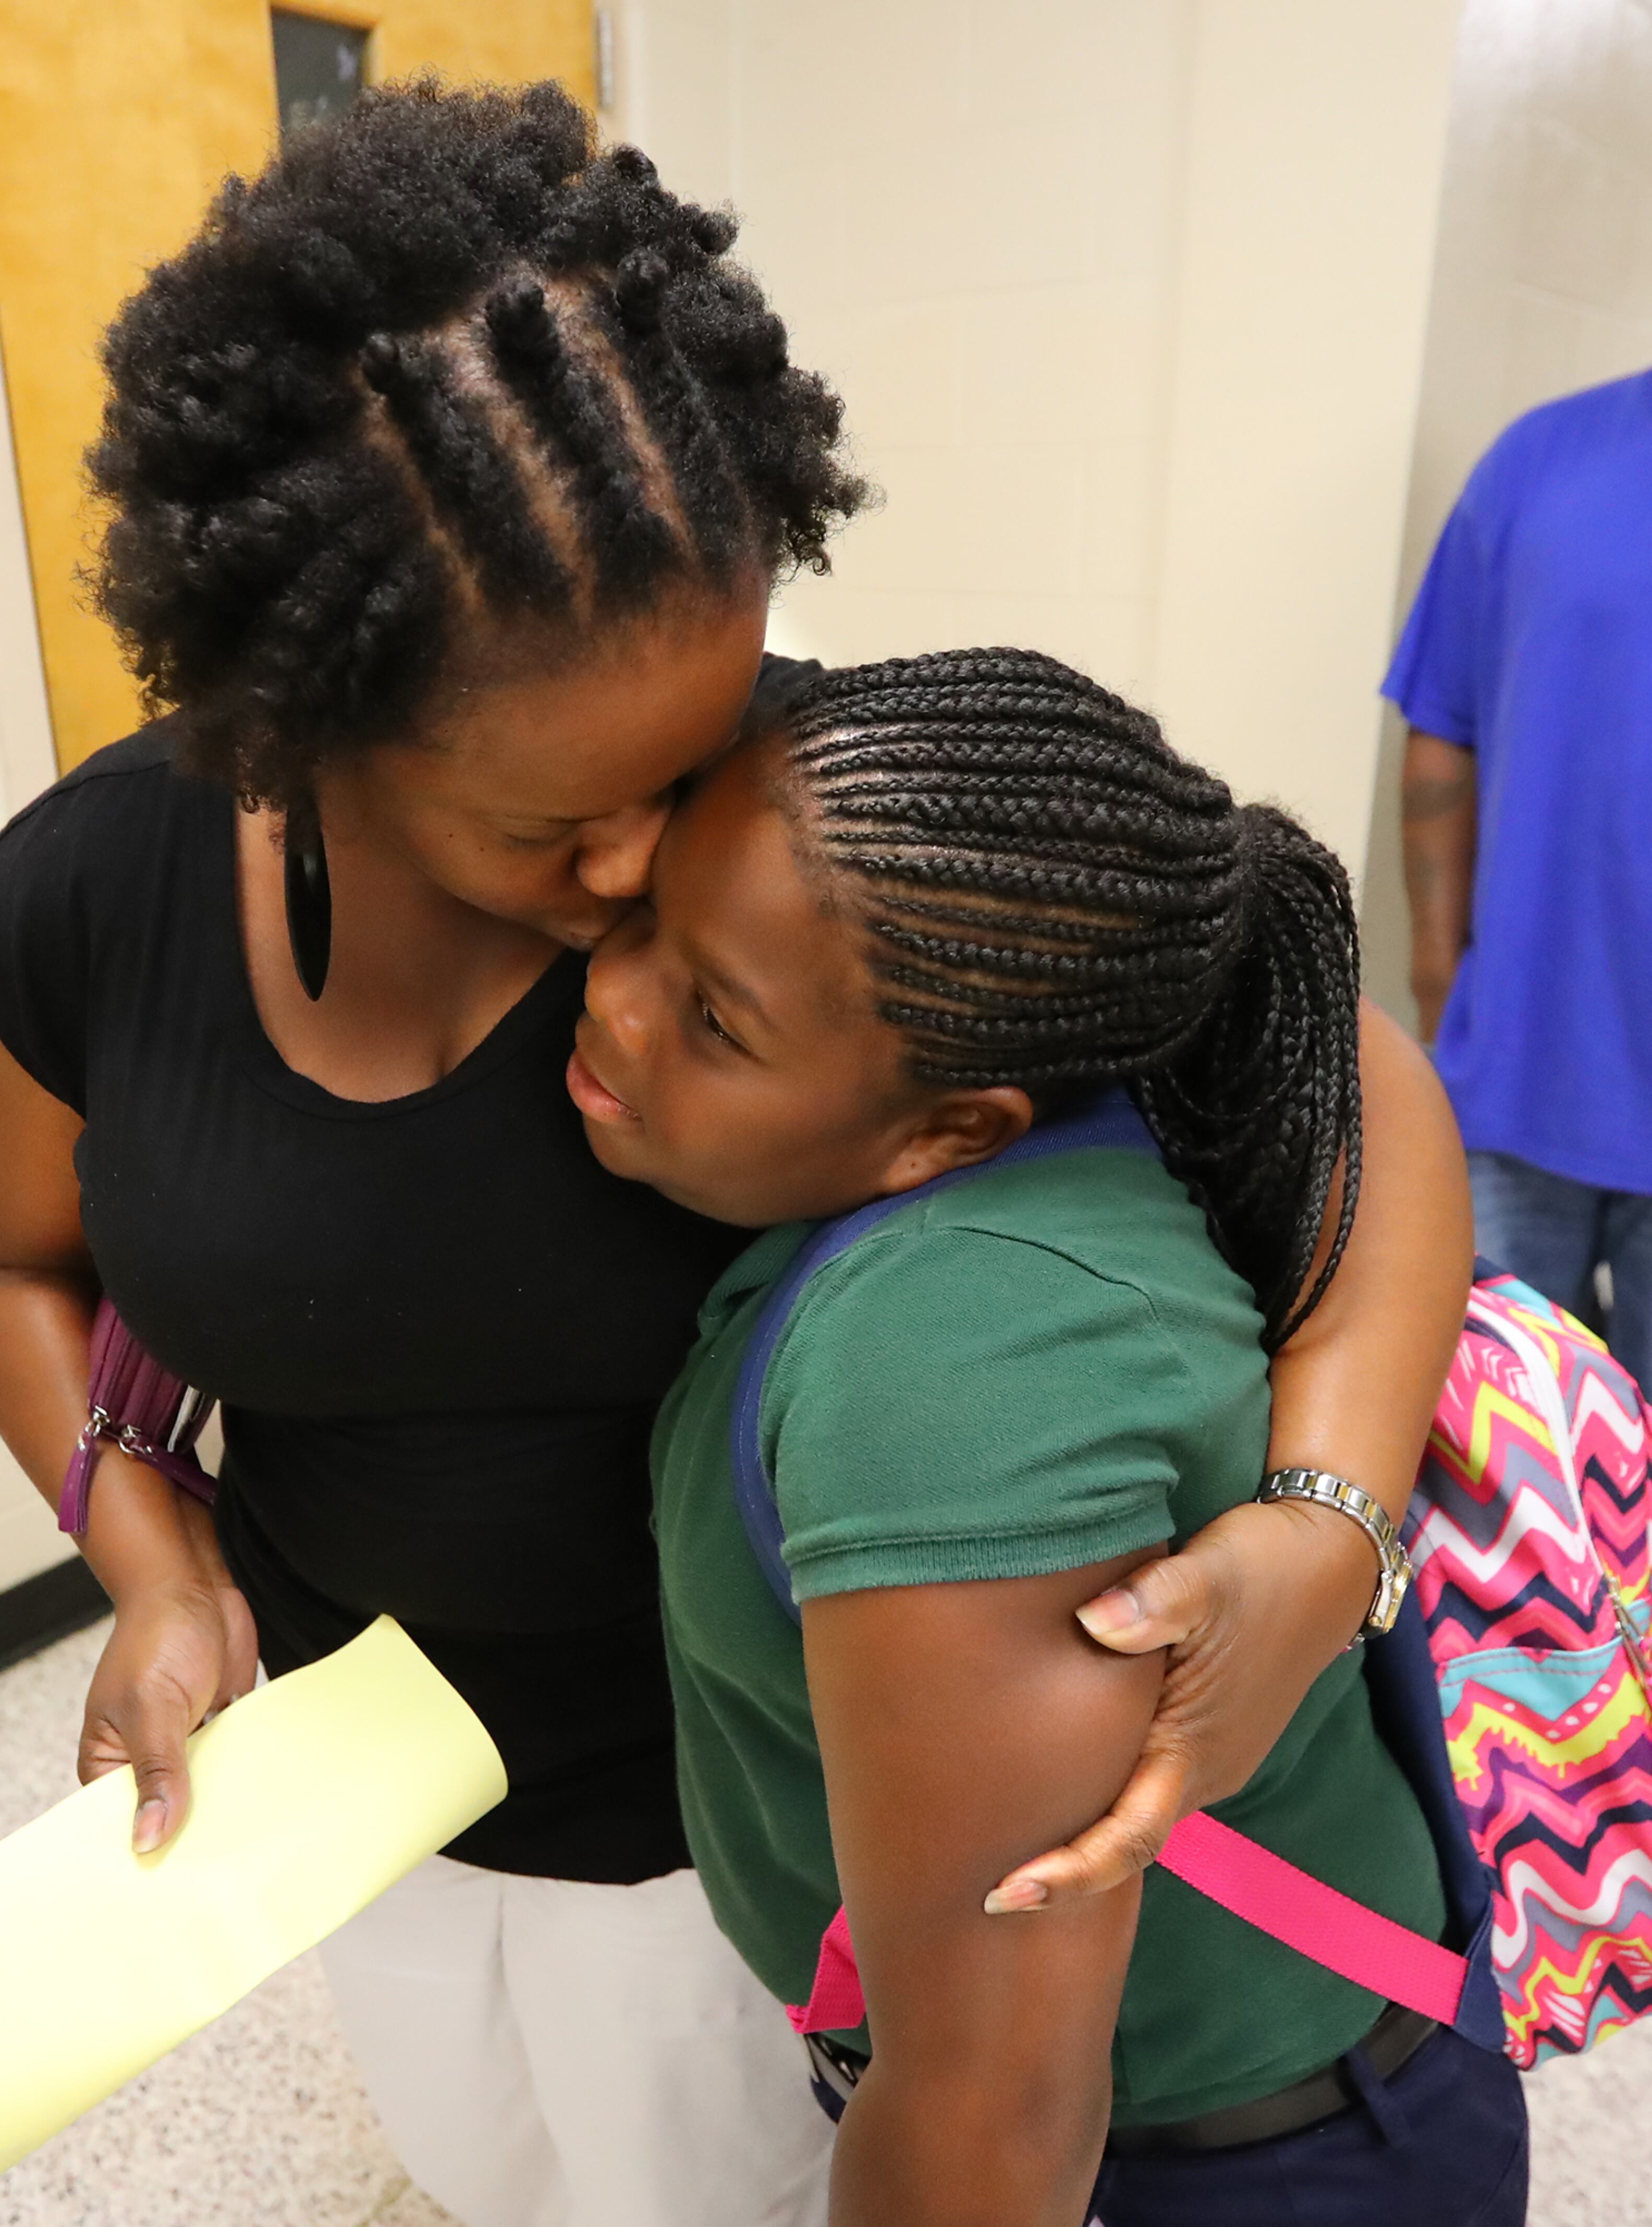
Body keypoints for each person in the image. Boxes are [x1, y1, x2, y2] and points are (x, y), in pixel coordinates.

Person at [0, 83, 1474, 2227]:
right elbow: (11, 1262)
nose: (659, 857)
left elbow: (1332, 1039)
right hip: (367, 1781)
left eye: (700, 749)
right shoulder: (86, 898)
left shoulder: (797, 840)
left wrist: (1329, 1507)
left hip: (748, 1839)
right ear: (304, 728)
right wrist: (154, 1565)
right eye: (563, 830)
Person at [569, 648, 1520, 2227]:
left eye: (717, 1019)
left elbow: (992, 2117)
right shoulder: (1061, 1006)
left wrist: (1336, 1515)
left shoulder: (953, 1370)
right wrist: (1339, 1505)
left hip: (1236, 2165)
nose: (614, 991)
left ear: (951, 1135)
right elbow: (1352, 1038)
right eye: (642, 915)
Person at [1387, 368, 1652, 1389]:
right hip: (1517, 1075)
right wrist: (1438, 979)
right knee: (1488, 1464)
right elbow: (1442, 729)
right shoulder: (1537, 461)